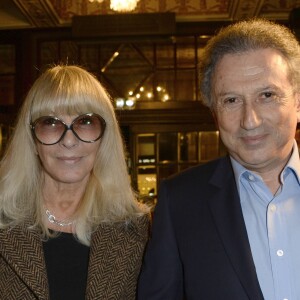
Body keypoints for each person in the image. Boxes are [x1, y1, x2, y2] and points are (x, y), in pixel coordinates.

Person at [137, 18, 300, 300]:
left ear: (297, 101)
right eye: (231, 100)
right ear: (214, 112)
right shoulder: (180, 202)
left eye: (267, 95)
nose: (250, 120)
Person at [0, 65, 150, 299]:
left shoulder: (137, 228)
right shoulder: (4, 221)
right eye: (50, 123)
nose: (69, 141)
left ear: (104, 137)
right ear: (31, 139)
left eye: (86, 122)